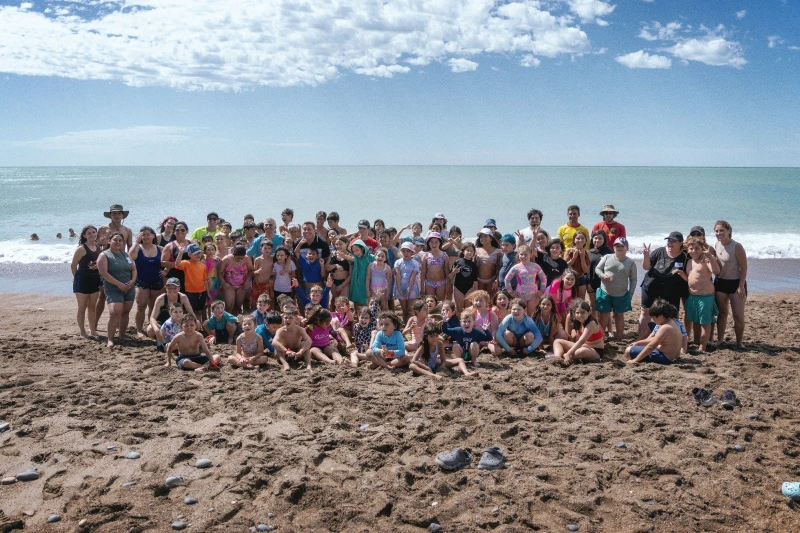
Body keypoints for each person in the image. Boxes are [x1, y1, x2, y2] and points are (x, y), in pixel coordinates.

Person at [638, 232, 689, 339]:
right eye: (668, 240)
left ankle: (671, 338)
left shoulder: (685, 256)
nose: (670, 243)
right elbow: (646, 267)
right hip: (651, 286)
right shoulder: (659, 251)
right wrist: (646, 256)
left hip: (672, 290)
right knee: (645, 312)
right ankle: (641, 337)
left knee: (672, 316)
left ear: (680, 243)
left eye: (673, 241)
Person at [675, 236, 720, 352]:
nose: (693, 251)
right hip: (693, 296)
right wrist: (681, 273)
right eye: (691, 248)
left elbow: (716, 271)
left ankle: (703, 346)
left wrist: (709, 255)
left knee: (705, 322)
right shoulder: (689, 261)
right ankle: (696, 341)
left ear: (702, 249)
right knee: (695, 320)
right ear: (687, 249)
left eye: (697, 248)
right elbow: (690, 278)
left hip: (705, 297)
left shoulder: (706, 260)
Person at [96, 232, 137, 348]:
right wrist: (119, 284)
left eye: (120, 240)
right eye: (115, 240)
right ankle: (110, 339)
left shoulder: (126, 255)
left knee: (125, 312)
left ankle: (122, 334)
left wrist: (133, 281)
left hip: (129, 287)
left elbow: (133, 269)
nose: (118, 242)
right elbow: (104, 273)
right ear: (109, 241)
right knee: (114, 312)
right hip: (113, 288)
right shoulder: (104, 255)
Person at [713, 220, 747, 348]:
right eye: (716, 231)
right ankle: (720, 340)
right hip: (720, 283)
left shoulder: (736, 246)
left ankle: (739, 342)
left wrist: (741, 285)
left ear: (729, 231)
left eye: (722, 230)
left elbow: (744, 266)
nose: (719, 233)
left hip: (736, 283)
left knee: (738, 315)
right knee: (722, 313)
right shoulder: (716, 244)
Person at [595, 237, 637, 341]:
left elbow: (633, 279)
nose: (619, 248)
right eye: (617, 246)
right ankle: (601, 337)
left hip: (621, 294)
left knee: (619, 316)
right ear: (613, 248)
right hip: (605, 291)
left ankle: (619, 337)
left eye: (622, 246)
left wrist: (631, 293)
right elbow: (598, 269)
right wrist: (603, 275)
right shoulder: (607, 257)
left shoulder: (631, 263)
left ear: (627, 248)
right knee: (603, 315)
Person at [128, 226, 165, 338]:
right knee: (141, 306)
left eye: (148, 234)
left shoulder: (160, 249)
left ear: (154, 236)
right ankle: (139, 330)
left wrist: (166, 271)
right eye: (143, 234)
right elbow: (131, 257)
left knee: (153, 307)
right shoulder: (137, 248)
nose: (146, 236)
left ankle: (151, 328)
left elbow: (167, 262)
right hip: (141, 281)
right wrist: (136, 242)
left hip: (157, 281)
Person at [409, 323, 478, 379]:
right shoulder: (423, 346)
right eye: (431, 336)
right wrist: (427, 368)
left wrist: (442, 367)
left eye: (436, 336)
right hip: (425, 367)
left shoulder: (439, 344)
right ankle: (433, 375)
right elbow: (413, 360)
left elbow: (443, 359)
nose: (434, 338)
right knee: (412, 366)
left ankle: (466, 373)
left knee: (460, 360)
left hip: (435, 364)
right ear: (426, 337)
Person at [625, 299, 682, 365]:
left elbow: (651, 346)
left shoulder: (665, 328)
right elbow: (656, 339)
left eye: (654, 317)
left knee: (628, 351)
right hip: (673, 356)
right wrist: (639, 342)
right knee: (636, 347)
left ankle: (632, 360)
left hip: (666, 358)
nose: (653, 320)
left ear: (660, 316)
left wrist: (635, 360)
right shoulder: (672, 323)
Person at [71, 225, 102, 337]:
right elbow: (73, 265)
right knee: (82, 307)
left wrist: (97, 267)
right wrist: (76, 278)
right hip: (82, 281)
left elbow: (99, 263)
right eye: (89, 233)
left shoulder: (99, 248)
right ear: (84, 235)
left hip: (94, 280)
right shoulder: (81, 249)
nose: (92, 234)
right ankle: (82, 331)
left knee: (92, 307)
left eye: (94, 232)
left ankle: (92, 330)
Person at [551, 300, 603, 365]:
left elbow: (581, 341)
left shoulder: (591, 324)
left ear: (589, 312)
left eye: (583, 312)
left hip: (595, 350)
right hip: (583, 346)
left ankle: (565, 356)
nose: (580, 315)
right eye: (577, 313)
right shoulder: (579, 322)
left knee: (581, 351)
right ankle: (557, 358)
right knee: (557, 341)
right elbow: (578, 341)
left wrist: (568, 354)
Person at [147, 278, 194, 350]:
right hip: (164, 324)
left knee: (197, 323)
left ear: (179, 288)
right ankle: (161, 341)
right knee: (150, 329)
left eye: (174, 288)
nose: (172, 290)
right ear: (166, 288)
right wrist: (157, 330)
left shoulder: (183, 297)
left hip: (179, 324)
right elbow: (152, 318)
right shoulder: (161, 298)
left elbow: (191, 314)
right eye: (169, 288)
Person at [504, 244, 547, 316]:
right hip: (520, 295)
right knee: (521, 315)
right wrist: (511, 292)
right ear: (518, 255)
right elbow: (507, 279)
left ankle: (531, 327)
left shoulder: (535, 266)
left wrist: (542, 290)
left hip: (533, 295)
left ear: (530, 254)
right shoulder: (516, 267)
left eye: (526, 254)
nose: (523, 256)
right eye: (521, 254)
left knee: (532, 315)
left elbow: (543, 278)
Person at [174, 243, 210, 318]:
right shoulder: (186, 263)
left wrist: (208, 293)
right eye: (195, 253)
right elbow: (177, 264)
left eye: (199, 253)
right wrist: (180, 253)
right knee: (190, 311)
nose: (198, 255)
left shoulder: (202, 265)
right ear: (189, 254)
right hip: (191, 293)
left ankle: (198, 327)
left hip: (202, 292)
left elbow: (205, 280)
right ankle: (191, 327)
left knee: (199, 311)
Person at [273, 304, 313, 371]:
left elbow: (309, 341)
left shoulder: (300, 329)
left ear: (296, 319)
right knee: (277, 349)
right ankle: (285, 365)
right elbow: (274, 342)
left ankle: (308, 365)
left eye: (291, 318)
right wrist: (286, 351)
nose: (288, 320)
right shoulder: (280, 330)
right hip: (285, 354)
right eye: (285, 318)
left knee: (305, 345)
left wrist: (300, 351)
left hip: (297, 353)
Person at [587, 230, 613, 314]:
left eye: (600, 238)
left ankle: (608, 327)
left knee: (604, 308)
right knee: (593, 305)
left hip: (604, 283)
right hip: (592, 283)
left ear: (604, 240)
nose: (597, 240)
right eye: (595, 238)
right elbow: (586, 269)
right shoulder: (588, 252)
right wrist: (587, 283)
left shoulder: (610, 252)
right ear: (592, 239)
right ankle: (595, 325)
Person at [394, 242, 421, 322]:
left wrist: (409, 289)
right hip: (400, 287)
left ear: (412, 252)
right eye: (403, 251)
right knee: (404, 310)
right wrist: (399, 288)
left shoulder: (415, 263)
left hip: (412, 288)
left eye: (408, 251)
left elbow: (413, 277)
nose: (405, 253)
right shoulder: (398, 262)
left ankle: (410, 328)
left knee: (410, 309)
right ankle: (405, 326)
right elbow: (398, 275)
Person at [162, 221, 191, 292]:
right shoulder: (169, 246)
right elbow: (163, 262)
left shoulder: (191, 244)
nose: (180, 231)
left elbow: (200, 257)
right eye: (177, 230)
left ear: (187, 231)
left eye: (182, 230)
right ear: (174, 232)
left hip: (189, 276)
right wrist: (178, 264)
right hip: (174, 277)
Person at [449, 242, 479, 312]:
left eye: (472, 251)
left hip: (469, 289)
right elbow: (449, 277)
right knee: (459, 310)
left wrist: (476, 293)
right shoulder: (457, 262)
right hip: (458, 288)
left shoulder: (474, 265)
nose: (469, 252)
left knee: (468, 310)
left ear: (474, 252)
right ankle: (460, 322)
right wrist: (454, 272)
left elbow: (475, 280)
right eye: (467, 250)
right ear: (463, 251)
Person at [421, 231, 448, 301]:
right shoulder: (426, 255)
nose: (434, 244)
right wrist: (422, 288)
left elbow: (447, 272)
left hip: (441, 282)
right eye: (431, 242)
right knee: (429, 302)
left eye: (436, 242)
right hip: (429, 283)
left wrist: (448, 287)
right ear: (428, 243)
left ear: (440, 243)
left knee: (440, 302)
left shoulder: (444, 256)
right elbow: (423, 273)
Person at [348, 239, 374, 309]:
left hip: (368, 282)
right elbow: (350, 258)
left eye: (357, 250)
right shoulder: (356, 258)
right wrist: (343, 256)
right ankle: (358, 316)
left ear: (362, 248)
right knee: (356, 301)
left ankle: (367, 317)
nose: (355, 253)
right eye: (354, 251)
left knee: (367, 300)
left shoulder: (371, 257)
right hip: (357, 283)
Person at [328, 236, 352, 309]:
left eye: (340, 244)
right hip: (334, 281)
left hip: (344, 282)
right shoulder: (333, 254)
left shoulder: (349, 256)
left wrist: (342, 285)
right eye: (336, 244)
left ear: (346, 244)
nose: (338, 246)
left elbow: (351, 274)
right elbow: (327, 268)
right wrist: (335, 265)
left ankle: (346, 319)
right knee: (336, 303)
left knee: (343, 304)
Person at [565, 230, 590, 299]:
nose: (580, 240)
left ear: (585, 240)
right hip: (570, 278)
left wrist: (582, 257)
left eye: (582, 238)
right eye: (578, 238)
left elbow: (585, 271)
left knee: (581, 297)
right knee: (570, 298)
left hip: (581, 277)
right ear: (574, 240)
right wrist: (574, 258)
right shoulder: (569, 251)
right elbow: (565, 266)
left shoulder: (586, 252)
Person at [475, 228, 501, 294]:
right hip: (479, 279)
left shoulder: (497, 251)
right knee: (480, 298)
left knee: (490, 300)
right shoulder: (476, 250)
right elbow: (474, 265)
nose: (483, 238)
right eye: (481, 237)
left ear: (491, 238)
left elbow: (499, 267)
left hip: (491, 279)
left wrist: (497, 279)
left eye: (485, 236)